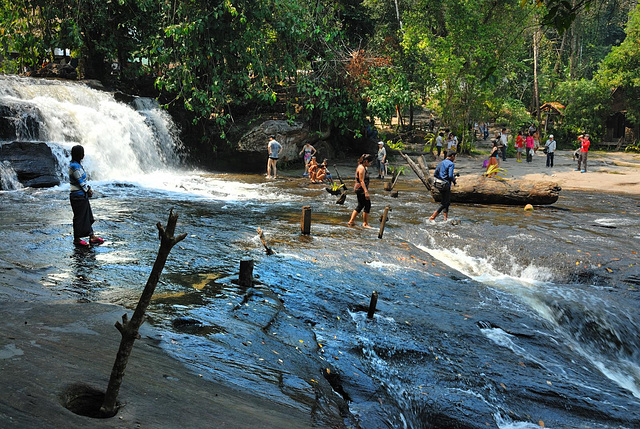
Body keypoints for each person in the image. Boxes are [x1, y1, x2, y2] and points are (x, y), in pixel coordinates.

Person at [69, 145, 103, 247]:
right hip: (77, 196)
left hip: (82, 195)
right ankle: (76, 239)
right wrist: (88, 190)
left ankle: (91, 236)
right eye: (82, 153)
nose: (83, 155)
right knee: (79, 218)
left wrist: (88, 190)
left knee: (87, 216)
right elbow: (80, 181)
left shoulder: (77, 165)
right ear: (79, 154)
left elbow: (83, 181)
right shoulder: (74, 166)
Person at [429, 151, 457, 221]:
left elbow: (435, 174)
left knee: (446, 201)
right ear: (452, 156)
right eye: (455, 157)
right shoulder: (451, 164)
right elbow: (450, 176)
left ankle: (445, 218)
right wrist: (454, 180)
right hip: (445, 185)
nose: (455, 158)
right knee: (444, 203)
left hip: (438, 184)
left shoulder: (441, 163)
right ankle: (432, 217)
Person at [347, 154, 374, 228]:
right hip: (361, 189)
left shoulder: (362, 167)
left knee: (360, 205)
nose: (370, 164)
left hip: (359, 188)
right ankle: (365, 223)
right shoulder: (362, 168)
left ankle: (351, 221)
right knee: (367, 205)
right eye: (370, 162)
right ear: (366, 161)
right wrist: (366, 192)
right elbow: (362, 180)